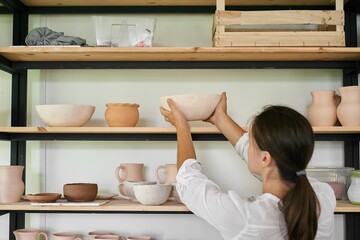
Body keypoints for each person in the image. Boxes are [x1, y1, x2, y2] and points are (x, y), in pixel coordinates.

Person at [160, 92, 336, 240]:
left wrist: (182, 125)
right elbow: (275, 165)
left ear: (266, 159)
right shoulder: (323, 197)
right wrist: (220, 119)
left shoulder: (247, 217)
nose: (247, 145)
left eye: (251, 141)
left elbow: (188, 182)